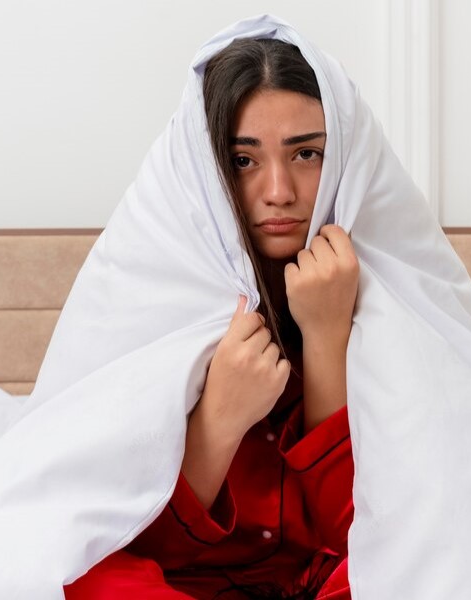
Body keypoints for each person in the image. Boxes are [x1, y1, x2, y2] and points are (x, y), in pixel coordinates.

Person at [64, 38, 358, 600]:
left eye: (306, 154)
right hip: (180, 586)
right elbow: (128, 539)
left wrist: (325, 338)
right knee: (75, 572)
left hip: (322, 583)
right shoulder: (149, 296)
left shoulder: (387, 288)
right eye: (243, 161)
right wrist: (218, 422)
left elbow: (362, 530)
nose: (278, 192)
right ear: (206, 169)